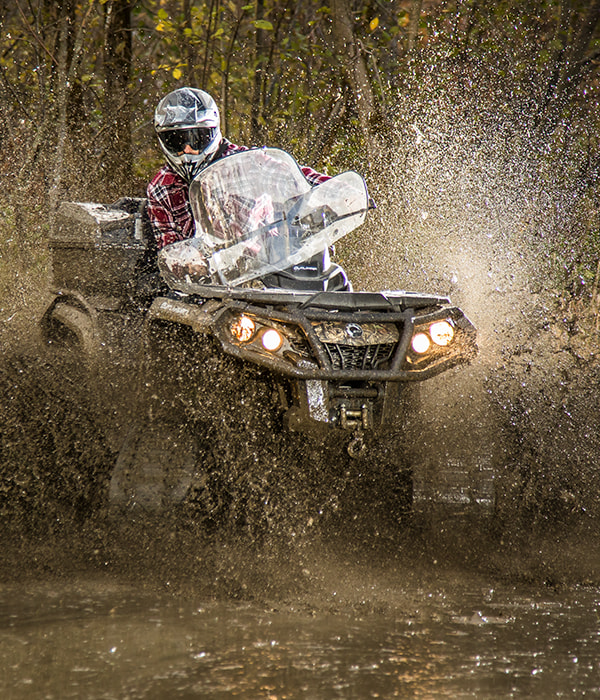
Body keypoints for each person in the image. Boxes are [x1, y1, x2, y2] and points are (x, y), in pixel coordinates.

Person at [147, 87, 331, 252]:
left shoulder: (248, 163)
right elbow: (169, 249)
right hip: (204, 282)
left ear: (211, 133)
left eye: (196, 139)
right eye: (177, 141)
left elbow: (293, 176)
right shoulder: (161, 188)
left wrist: (334, 189)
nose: (187, 150)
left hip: (267, 269)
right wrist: (187, 261)